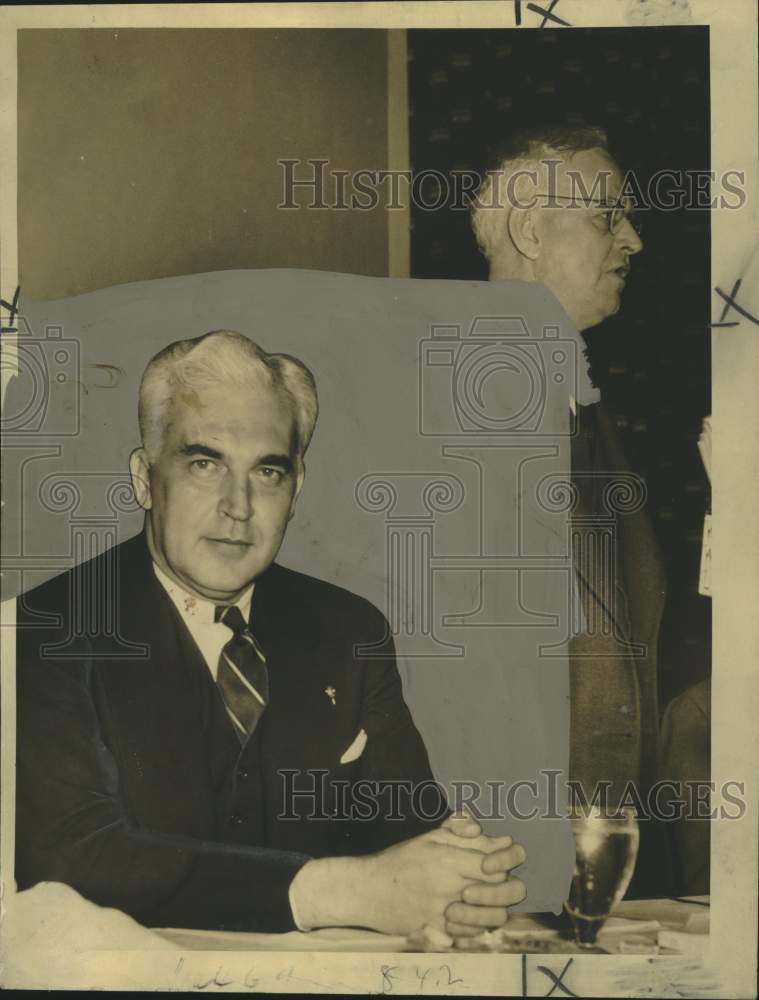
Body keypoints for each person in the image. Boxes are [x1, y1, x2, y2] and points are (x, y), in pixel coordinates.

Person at [15, 330, 527, 937]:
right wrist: (334, 892)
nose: (239, 506)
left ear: (297, 489)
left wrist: (459, 874)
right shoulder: (42, 629)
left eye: (268, 472)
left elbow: (405, 832)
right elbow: (71, 854)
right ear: (144, 479)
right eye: (205, 464)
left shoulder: (348, 630)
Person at [470, 124, 671, 895]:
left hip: (600, 858)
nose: (633, 239)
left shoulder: (586, 408)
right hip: (487, 864)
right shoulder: (425, 405)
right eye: (606, 216)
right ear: (528, 228)